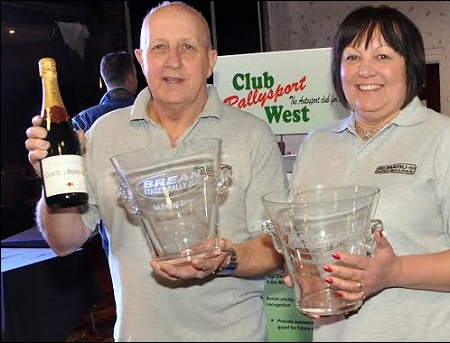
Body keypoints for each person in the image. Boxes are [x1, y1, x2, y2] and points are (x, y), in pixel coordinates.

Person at [25, 1, 286, 341]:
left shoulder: (251, 134)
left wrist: (226, 259)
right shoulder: (103, 134)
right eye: (159, 47)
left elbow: (276, 246)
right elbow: (63, 241)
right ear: (141, 58)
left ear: (210, 61)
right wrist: (53, 179)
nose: (173, 60)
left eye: (188, 47)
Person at [288, 5, 450, 342]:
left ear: (411, 66)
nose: (365, 71)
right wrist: (303, 273)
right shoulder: (315, 145)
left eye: (382, 56)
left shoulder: (446, 139)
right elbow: (302, 244)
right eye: (352, 57)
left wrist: (395, 272)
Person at [71, 50, 139, 256]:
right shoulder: (154, 111)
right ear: (131, 77)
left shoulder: (83, 122)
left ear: (104, 78)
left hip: (108, 221)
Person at [71, 50, 138, 131]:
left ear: (104, 78)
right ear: (130, 79)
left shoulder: (83, 121)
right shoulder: (148, 111)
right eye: (135, 74)